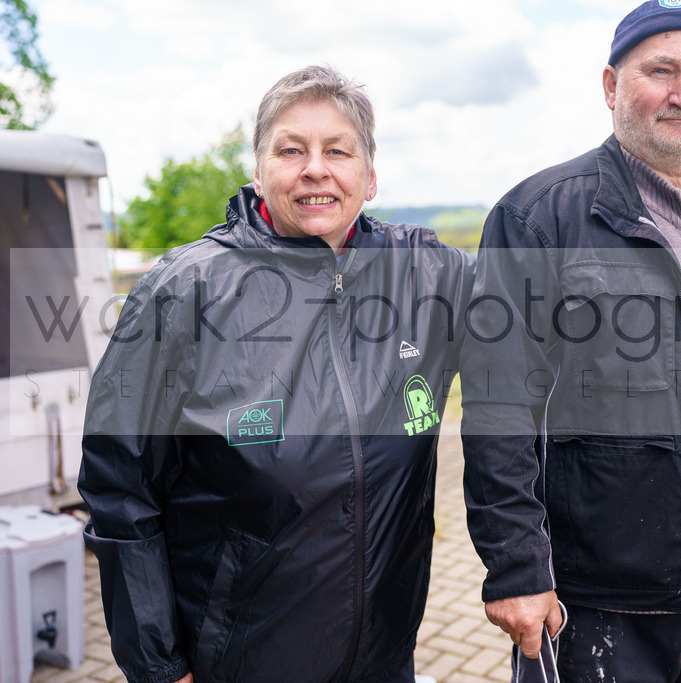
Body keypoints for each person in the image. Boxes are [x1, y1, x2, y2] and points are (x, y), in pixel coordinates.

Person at [79, 65, 473, 683]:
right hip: (239, 663)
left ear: (370, 176)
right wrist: (158, 665)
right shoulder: (182, 292)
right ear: (259, 171)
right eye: (291, 149)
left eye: (338, 150)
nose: (315, 168)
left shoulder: (427, 275)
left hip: (382, 660)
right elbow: (119, 489)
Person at [460, 1, 681, 680]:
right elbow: (498, 408)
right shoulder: (538, 217)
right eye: (660, 70)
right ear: (611, 86)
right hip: (597, 608)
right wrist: (517, 565)